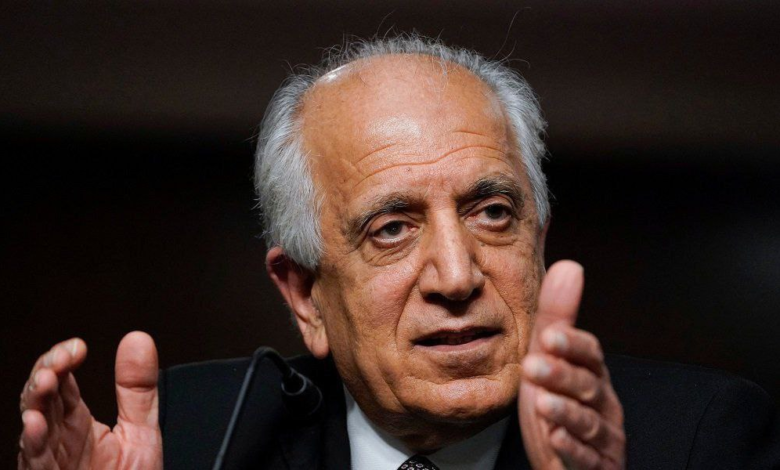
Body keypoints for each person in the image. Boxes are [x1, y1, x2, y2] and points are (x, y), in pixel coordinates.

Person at [17, 35, 780, 470]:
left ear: (539, 245)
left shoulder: (702, 440)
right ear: (305, 296)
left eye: (492, 213)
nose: (457, 275)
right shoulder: (198, 439)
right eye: (392, 228)